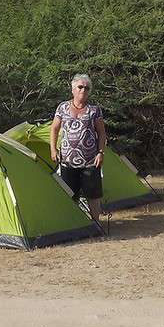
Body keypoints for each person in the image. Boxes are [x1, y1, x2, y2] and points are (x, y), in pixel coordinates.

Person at [51, 73, 106, 224]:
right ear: (73, 89)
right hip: (67, 161)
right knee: (69, 193)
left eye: (87, 88)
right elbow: (54, 129)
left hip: (90, 160)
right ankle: (72, 224)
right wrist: (53, 149)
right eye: (80, 87)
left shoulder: (94, 110)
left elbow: (101, 133)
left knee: (92, 194)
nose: (83, 90)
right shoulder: (62, 107)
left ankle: (96, 225)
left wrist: (101, 152)